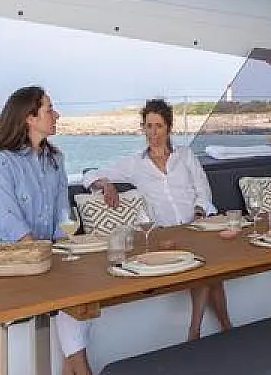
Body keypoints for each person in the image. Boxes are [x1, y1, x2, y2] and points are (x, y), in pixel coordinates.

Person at [0, 86, 99, 375]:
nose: (57, 115)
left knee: (86, 288)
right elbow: (10, 219)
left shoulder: (55, 160)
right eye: (49, 109)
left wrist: (66, 247)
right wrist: (46, 256)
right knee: (69, 291)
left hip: (40, 255)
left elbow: (62, 214)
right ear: (28, 117)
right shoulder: (1, 162)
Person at [83, 98, 232, 341]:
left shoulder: (185, 156)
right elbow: (89, 174)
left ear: (169, 128)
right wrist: (106, 184)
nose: (153, 133)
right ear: (143, 128)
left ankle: (205, 332)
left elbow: (203, 192)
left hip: (198, 226)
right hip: (165, 236)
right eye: (148, 126)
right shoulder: (135, 164)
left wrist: (197, 215)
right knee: (207, 269)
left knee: (210, 267)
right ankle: (207, 331)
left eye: (159, 126)